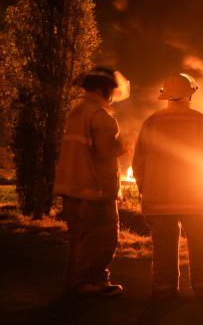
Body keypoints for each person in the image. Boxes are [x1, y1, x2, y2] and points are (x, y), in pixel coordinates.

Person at [132, 73, 203, 299]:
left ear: (165, 96)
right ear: (190, 93)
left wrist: (144, 188)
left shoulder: (151, 122)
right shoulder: (202, 122)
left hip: (159, 196)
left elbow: (139, 160)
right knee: (200, 241)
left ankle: (164, 289)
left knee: (163, 244)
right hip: (194, 195)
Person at [54, 66, 128, 297]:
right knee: (102, 239)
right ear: (103, 89)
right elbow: (106, 151)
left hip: (72, 189)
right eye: (111, 90)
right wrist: (125, 144)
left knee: (79, 240)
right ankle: (93, 283)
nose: (112, 95)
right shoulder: (101, 116)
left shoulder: (77, 111)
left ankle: (75, 282)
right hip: (95, 190)